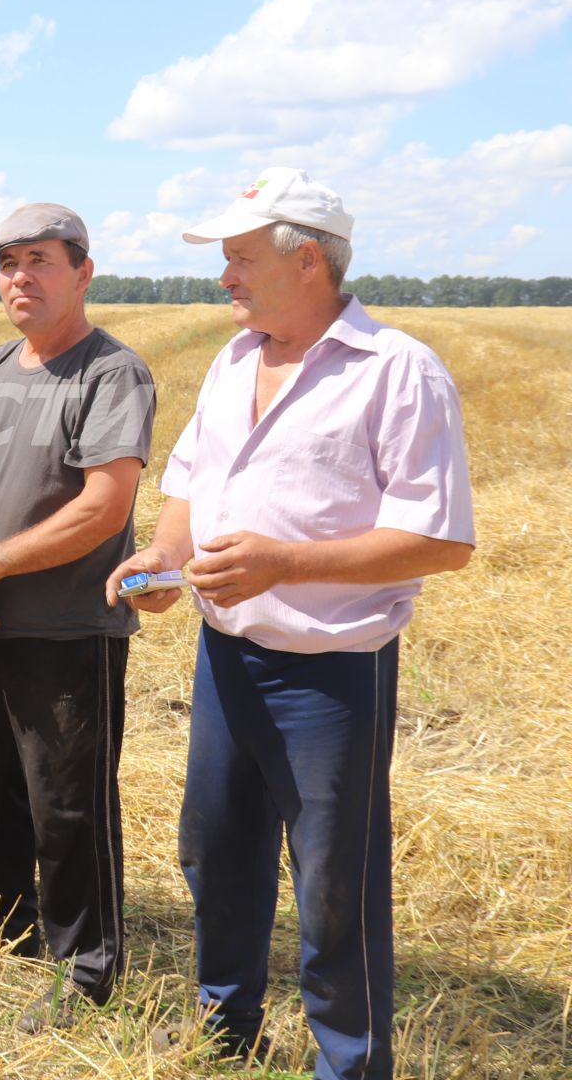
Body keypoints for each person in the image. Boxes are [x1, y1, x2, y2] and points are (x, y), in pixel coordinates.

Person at [107, 168, 474, 1079]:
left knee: (330, 882)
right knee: (216, 851)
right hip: (227, 656)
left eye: (238, 259)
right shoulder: (236, 360)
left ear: (306, 259)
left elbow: (439, 539)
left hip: (333, 674)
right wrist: (159, 559)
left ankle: (349, 1061)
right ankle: (224, 1029)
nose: (223, 278)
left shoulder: (398, 371)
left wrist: (289, 562)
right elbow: (191, 481)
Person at [0, 204, 155, 1028]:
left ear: (83, 272)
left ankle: (88, 968)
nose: (20, 277)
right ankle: (2, 925)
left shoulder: (110, 374)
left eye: (40, 261)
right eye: (9, 262)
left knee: (68, 805)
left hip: (68, 630)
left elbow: (104, 507)